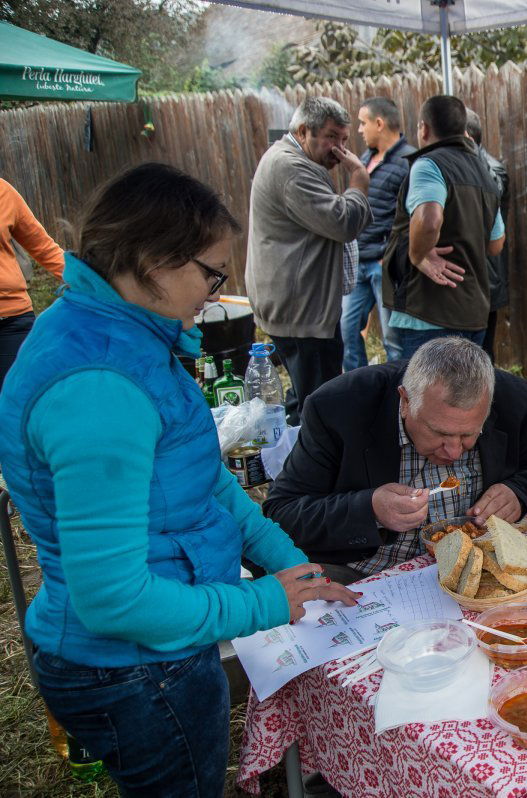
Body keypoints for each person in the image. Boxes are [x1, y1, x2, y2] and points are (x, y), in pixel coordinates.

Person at [0, 163, 357, 796]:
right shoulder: (101, 385)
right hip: (134, 672)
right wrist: (265, 603)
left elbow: (205, 481)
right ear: (152, 260)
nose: (216, 293)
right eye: (211, 272)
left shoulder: (125, 337)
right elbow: (112, 598)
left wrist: (293, 565)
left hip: (155, 651)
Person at [263, 336, 527, 585]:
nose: (453, 451)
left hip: (480, 567)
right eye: (439, 432)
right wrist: (370, 509)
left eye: (469, 435)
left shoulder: (512, 397)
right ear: (405, 401)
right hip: (365, 572)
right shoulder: (339, 407)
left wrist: (516, 491)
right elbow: (281, 512)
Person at [246, 96, 372, 423]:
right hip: (301, 310)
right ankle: (313, 468)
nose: (339, 149)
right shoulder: (290, 168)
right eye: (331, 137)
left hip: (302, 305)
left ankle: (295, 453)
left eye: (345, 140)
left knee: (306, 394)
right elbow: (342, 223)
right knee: (321, 404)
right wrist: (358, 179)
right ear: (303, 131)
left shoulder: (298, 162)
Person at [381, 95, 505, 358]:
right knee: (464, 396)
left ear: (424, 129)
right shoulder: (485, 173)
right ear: (463, 130)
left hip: (428, 314)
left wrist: (419, 256)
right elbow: (496, 244)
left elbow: (429, 220)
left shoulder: (429, 164)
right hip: (473, 311)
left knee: (423, 397)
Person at [342, 97, 415, 371]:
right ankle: (357, 390)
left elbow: (413, 216)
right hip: (358, 262)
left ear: (379, 123)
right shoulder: (364, 159)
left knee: (393, 341)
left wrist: (394, 256)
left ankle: (397, 399)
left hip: (384, 265)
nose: (360, 130)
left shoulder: (409, 160)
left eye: (363, 122)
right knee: (346, 332)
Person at [0, 177, 64, 389]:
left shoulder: (4, 192)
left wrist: (89, 280)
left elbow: (44, 249)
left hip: (12, 320)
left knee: (22, 399)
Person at [464, 108, 510, 359]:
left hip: (486, 274)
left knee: (481, 353)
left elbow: (490, 200)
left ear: (466, 137)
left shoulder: (492, 170)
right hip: (470, 278)